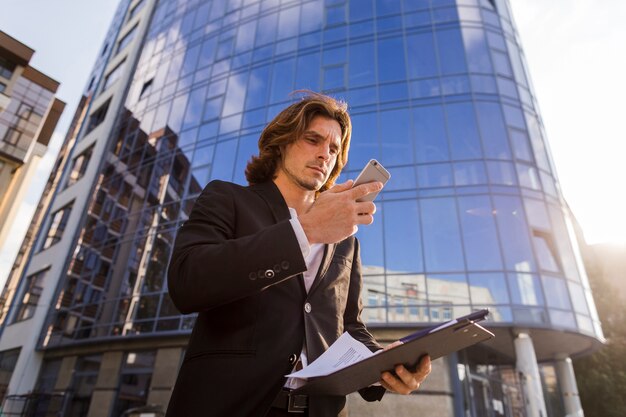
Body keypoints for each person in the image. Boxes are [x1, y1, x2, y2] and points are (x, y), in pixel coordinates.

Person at [166, 91, 431, 417]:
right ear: (281, 143)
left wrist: (383, 365)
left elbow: (347, 326)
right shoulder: (227, 199)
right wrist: (305, 232)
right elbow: (187, 281)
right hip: (231, 405)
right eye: (313, 140)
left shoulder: (346, 241)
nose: (325, 154)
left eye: (334, 149)